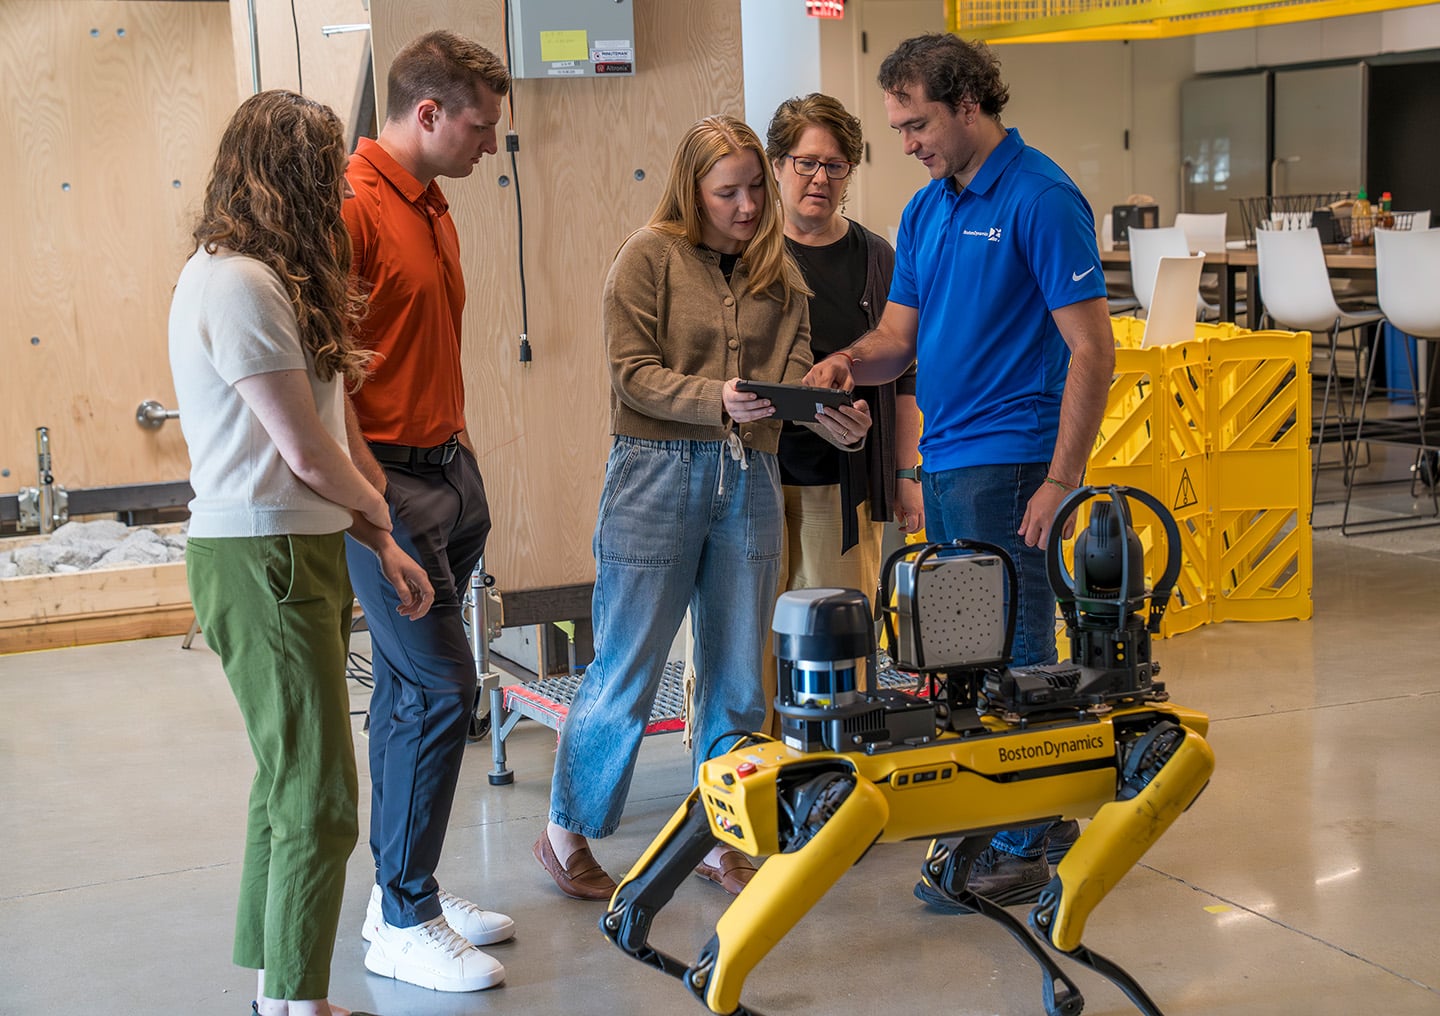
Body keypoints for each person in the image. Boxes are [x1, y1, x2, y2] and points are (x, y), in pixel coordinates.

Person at [805, 34, 1114, 911]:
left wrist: (1061, 481)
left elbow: (1093, 348)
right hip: (945, 462)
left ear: (968, 103)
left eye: (915, 124)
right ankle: (1014, 815)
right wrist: (842, 363)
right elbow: (897, 340)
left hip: (1014, 464)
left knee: (1018, 656)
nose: (905, 142)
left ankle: (1026, 841)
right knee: (964, 663)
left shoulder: (1042, 198)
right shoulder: (929, 208)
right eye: (899, 127)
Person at [534, 114, 873, 902]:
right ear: (692, 189)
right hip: (654, 475)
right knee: (627, 663)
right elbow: (631, 376)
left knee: (735, 674)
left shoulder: (778, 275)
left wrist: (829, 414)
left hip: (750, 477)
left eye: (757, 188)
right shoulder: (646, 258)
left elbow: (788, 382)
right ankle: (565, 833)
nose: (750, 206)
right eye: (730, 192)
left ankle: (726, 835)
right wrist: (714, 398)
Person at [169, 89, 434, 1016]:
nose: (333, 198)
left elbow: (335, 422)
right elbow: (303, 451)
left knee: (284, 782)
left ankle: (273, 989)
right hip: (262, 555)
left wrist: (378, 533)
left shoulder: (274, 279)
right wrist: (367, 511)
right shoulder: (235, 282)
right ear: (284, 177)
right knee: (320, 793)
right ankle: (295, 1002)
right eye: (321, 178)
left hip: (299, 547)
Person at [341, 31, 514, 992]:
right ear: (429, 114)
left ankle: (403, 892)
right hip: (389, 487)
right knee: (445, 691)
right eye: (481, 127)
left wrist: (458, 455)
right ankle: (403, 917)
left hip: (449, 468)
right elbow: (325, 376)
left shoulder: (434, 201)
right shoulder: (354, 208)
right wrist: (369, 500)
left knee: (413, 696)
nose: (492, 144)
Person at [762, 93, 922, 733]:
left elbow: (904, 376)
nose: (819, 179)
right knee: (751, 640)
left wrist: (906, 474)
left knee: (837, 636)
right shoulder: (749, 254)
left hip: (842, 482)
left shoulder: (877, 257)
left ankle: (834, 768)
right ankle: (749, 768)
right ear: (777, 165)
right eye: (804, 163)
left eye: (835, 166)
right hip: (755, 476)